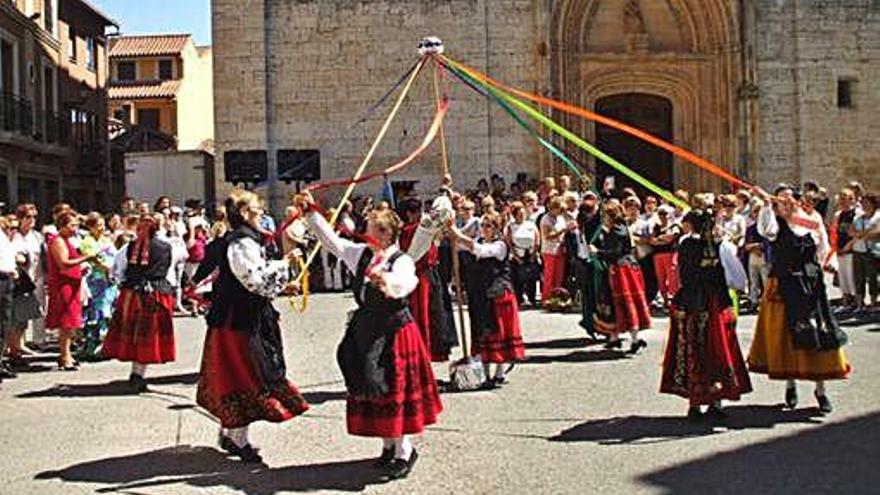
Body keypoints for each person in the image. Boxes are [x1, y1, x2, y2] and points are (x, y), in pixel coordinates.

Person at [299, 192, 442, 481]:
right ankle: (388, 445)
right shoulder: (362, 254)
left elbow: (406, 281)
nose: (367, 233)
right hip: (368, 329)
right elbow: (334, 243)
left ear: (388, 234)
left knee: (394, 387)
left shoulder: (400, 259)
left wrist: (387, 282)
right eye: (367, 228)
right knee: (372, 382)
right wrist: (311, 213)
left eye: (374, 229)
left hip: (395, 331)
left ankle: (404, 450)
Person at [196, 190, 310, 463]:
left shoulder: (240, 241)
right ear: (245, 214)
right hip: (239, 321)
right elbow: (254, 279)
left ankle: (231, 434)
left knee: (236, 374)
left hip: (235, 316)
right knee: (244, 375)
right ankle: (238, 440)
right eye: (258, 209)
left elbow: (251, 276)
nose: (262, 213)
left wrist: (283, 283)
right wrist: (284, 265)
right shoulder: (241, 243)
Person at [747, 185, 851, 413]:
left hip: (810, 282)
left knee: (818, 333)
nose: (784, 202)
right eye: (780, 199)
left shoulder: (811, 220)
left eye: (788, 198)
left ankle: (820, 390)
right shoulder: (775, 221)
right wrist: (766, 205)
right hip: (784, 282)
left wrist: (829, 263)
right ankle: (790, 384)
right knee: (786, 335)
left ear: (796, 200)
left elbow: (823, 246)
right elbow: (766, 231)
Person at [660, 210, 752, 421]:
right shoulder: (722, 246)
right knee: (716, 348)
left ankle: (694, 405)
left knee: (693, 349)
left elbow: (682, 274)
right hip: (714, 303)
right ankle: (715, 402)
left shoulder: (685, 244)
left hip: (690, 301)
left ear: (691, 225)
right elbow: (737, 279)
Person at [448, 212, 525, 386]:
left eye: (488, 226)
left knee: (498, 333)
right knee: (482, 332)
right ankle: (484, 373)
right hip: (481, 295)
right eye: (483, 225)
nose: (484, 229)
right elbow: (467, 247)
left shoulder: (501, 246)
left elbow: (481, 251)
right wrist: (451, 234)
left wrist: (457, 234)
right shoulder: (480, 241)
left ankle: (499, 373)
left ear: (497, 228)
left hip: (498, 295)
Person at [102, 215, 176, 391]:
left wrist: (123, 283)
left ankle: (137, 374)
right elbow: (169, 271)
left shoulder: (129, 247)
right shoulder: (166, 247)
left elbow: (117, 270)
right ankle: (138, 375)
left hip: (133, 294)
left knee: (136, 335)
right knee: (147, 336)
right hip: (156, 294)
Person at [398, 198, 457, 362]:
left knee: (437, 312)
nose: (420, 214)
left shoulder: (421, 228)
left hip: (432, 273)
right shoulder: (411, 231)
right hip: (419, 275)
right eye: (417, 211)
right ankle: (423, 349)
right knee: (423, 313)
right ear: (409, 214)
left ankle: (438, 349)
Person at [589, 202, 652, 353]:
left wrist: (597, 252)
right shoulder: (622, 228)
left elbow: (615, 252)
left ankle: (634, 339)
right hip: (629, 267)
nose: (603, 218)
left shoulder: (616, 231)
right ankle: (614, 337)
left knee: (623, 302)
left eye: (605, 215)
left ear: (610, 216)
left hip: (621, 270)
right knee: (614, 301)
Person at [45, 212, 94, 370]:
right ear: (62, 226)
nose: (75, 229)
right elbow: (63, 263)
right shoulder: (58, 240)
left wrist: (81, 270)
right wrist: (85, 258)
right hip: (63, 286)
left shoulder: (67, 240)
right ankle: (64, 356)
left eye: (77, 225)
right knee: (65, 322)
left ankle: (67, 355)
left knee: (71, 322)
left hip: (72, 283)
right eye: (72, 225)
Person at [78, 213, 118, 361]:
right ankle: (92, 347)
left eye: (102, 225)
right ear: (90, 226)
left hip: (109, 281)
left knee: (108, 312)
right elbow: (92, 257)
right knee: (96, 312)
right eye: (98, 225)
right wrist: (105, 267)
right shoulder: (87, 241)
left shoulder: (106, 240)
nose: (101, 228)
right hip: (96, 280)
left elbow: (115, 255)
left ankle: (107, 346)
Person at [7, 204, 45, 360]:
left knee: (28, 313)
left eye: (34, 217)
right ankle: (13, 349)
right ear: (20, 218)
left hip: (35, 278)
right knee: (17, 315)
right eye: (28, 217)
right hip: (19, 280)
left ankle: (20, 344)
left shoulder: (37, 236)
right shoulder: (13, 236)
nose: (32, 220)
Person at [507, 201, 541, 307]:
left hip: (530, 253)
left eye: (523, 214)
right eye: (519, 214)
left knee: (532, 278)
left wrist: (534, 253)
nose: (521, 216)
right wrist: (516, 257)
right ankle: (519, 298)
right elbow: (509, 243)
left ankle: (532, 298)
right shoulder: (511, 226)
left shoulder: (531, 224)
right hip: (518, 254)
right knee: (517, 279)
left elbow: (537, 239)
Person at [850, 193, 879, 309]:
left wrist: (860, 234)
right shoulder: (858, 217)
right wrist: (866, 233)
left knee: (873, 278)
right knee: (858, 278)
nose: (864, 205)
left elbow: (877, 233)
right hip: (858, 250)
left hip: (872, 251)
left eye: (866, 203)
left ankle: (873, 303)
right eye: (863, 203)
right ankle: (860, 303)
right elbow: (850, 232)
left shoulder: (878, 217)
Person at [650, 205, 681, 308]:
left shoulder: (674, 225)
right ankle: (665, 301)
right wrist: (662, 239)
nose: (663, 216)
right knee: (661, 279)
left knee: (672, 278)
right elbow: (651, 241)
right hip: (658, 255)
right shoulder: (656, 227)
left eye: (665, 213)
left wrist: (659, 239)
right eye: (660, 213)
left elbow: (671, 238)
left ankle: (674, 300)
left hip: (670, 254)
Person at [540, 196, 569, 303]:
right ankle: (546, 298)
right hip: (549, 250)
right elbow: (548, 235)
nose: (561, 212)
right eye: (559, 210)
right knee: (549, 275)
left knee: (559, 275)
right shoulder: (546, 219)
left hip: (560, 250)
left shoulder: (560, 218)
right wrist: (563, 231)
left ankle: (557, 298)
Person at [832, 188, 858, 309]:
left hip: (851, 249)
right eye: (841, 198)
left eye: (844, 198)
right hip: (840, 249)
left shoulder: (857, 214)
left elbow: (857, 234)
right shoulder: (838, 215)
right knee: (842, 276)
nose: (841, 201)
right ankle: (846, 300)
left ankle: (856, 301)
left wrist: (848, 246)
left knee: (852, 276)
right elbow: (834, 232)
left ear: (851, 199)